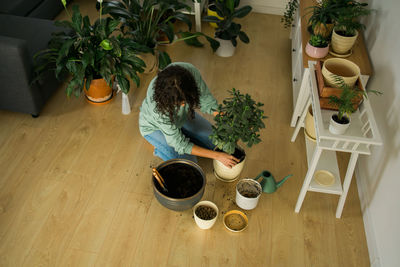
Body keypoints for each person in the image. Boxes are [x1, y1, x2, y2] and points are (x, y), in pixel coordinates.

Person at [139, 62, 239, 168]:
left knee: (219, 142)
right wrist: (217, 156)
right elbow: (179, 144)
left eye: (185, 101)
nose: (183, 104)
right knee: (191, 165)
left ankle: (185, 136)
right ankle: (160, 148)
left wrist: (227, 120)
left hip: (182, 118)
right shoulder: (157, 105)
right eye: (179, 103)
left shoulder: (189, 72)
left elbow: (207, 101)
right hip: (155, 127)